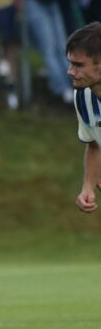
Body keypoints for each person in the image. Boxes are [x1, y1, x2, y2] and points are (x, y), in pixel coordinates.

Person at [71, 24, 101, 214]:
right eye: (71, 63)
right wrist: (88, 186)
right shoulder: (83, 97)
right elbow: (95, 144)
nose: (70, 71)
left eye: (79, 65)